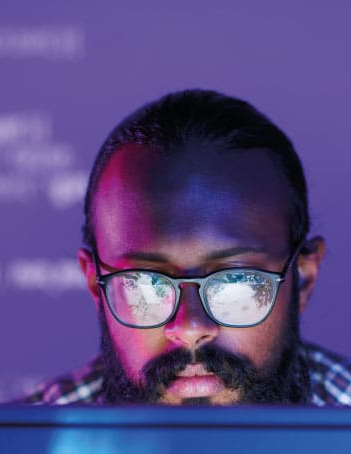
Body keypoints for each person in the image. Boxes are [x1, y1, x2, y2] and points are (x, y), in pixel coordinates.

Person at [24, 89, 351, 406]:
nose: (191, 328)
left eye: (235, 284)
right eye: (146, 285)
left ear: (304, 278)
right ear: (96, 283)